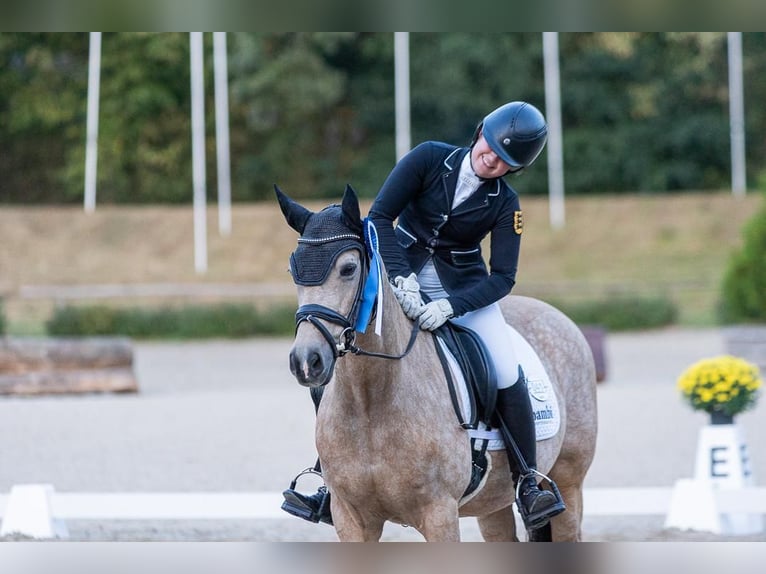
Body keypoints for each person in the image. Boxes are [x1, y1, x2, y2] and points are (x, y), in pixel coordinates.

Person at [282, 101, 565, 531]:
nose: (491, 160)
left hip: (462, 293)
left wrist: (451, 306)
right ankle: (328, 476)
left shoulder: (507, 205)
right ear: (480, 134)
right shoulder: (430, 158)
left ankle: (528, 480)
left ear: (512, 169)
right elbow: (378, 219)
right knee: (338, 355)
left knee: (506, 369)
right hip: (397, 279)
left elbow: (504, 277)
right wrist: (401, 280)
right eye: (490, 147)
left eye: (503, 161)